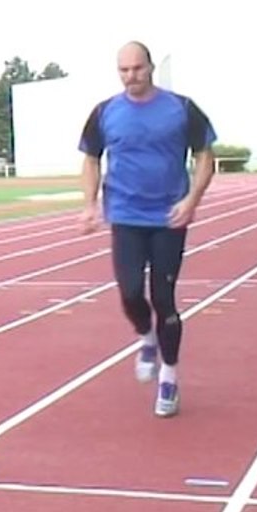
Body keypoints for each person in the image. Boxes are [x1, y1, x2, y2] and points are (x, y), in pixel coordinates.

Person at [77, 40, 217, 418]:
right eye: (123, 70)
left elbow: (206, 156)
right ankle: (146, 337)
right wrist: (89, 205)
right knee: (130, 293)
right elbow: (91, 158)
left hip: (169, 216)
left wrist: (191, 202)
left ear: (150, 67)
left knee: (163, 297)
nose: (130, 77)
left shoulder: (181, 109)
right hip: (124, 215)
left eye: (137, 69)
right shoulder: (106, 112)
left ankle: (169, 379)